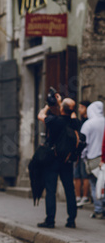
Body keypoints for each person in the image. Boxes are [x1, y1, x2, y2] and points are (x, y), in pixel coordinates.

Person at [37, 96, 79, 228]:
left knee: (51, 190)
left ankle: (50, 220)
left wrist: (49, 105)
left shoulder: (54, 121)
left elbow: (40, 115)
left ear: (61, 108)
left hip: (53, 159)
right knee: (69, 190)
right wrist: (62, 104)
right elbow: (69, 113)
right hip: (66, 160)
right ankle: (71, 220)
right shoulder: (74, 122)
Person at [80, 101, 105, 219]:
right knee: (103, 184)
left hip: (93, 158)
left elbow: (83, 142)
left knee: (95, 185)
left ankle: (99, 209)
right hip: (103, 157)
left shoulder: (88, 124)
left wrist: (83, 156)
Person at [75, 100, 91, 207]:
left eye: (81, 107)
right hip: (79, 151)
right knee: (76, 175)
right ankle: (78, 197)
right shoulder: (81, 121)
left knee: (84, 175)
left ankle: (85, 197)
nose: (79, 109)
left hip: (86, 151)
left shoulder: (88, 121)